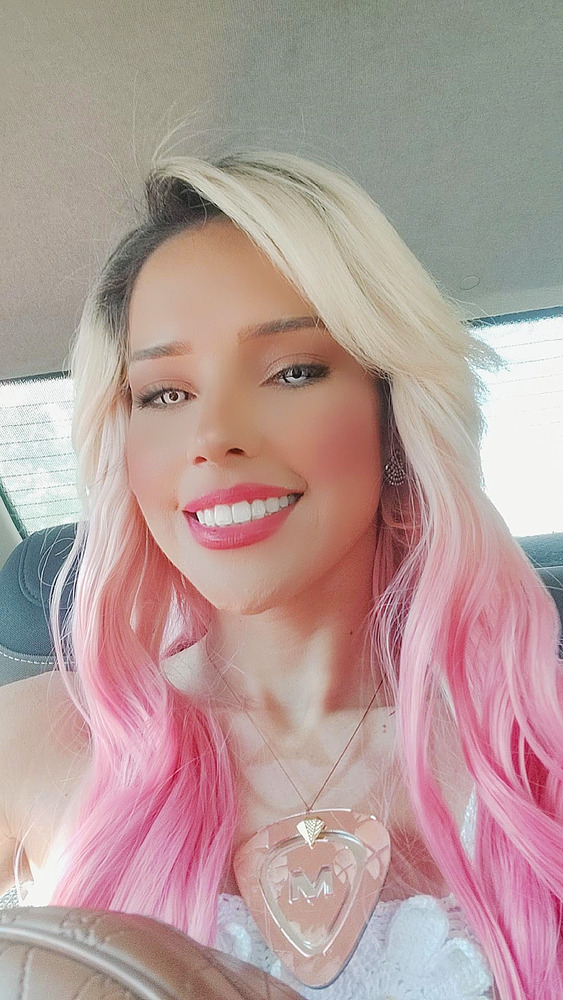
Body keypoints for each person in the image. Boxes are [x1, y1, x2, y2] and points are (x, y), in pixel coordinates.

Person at [2, 147, 562, 999]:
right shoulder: (34, 738)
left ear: (392, 410)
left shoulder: (538, 744)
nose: (214, 435)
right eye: (163, 393)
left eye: (292, 371)